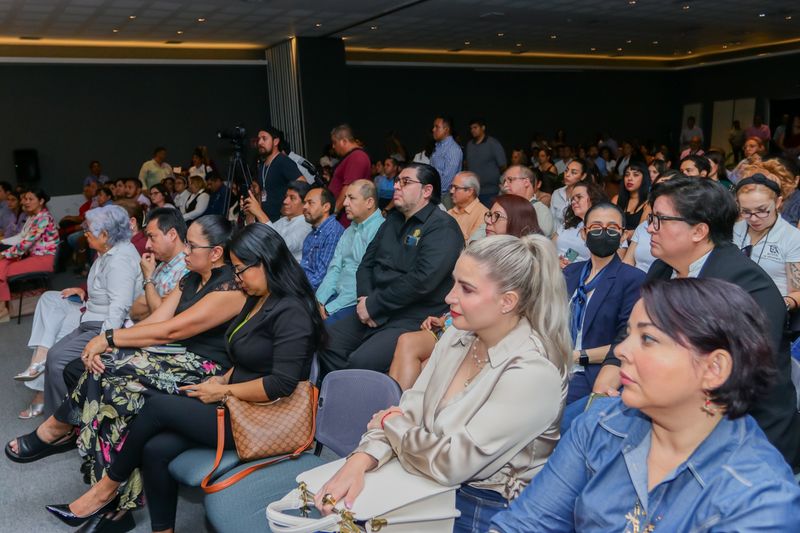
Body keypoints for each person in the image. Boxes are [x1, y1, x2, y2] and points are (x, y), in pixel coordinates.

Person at [42, 223, 323, 533]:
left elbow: (280, 385)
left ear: (266, 262)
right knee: (155, 449)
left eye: (242, 269)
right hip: (236, 401)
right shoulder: (259, 298)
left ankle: (105, 490)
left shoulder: (292, 311)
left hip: (261, 418)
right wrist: (221, 381)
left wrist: (224, 391)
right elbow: (244, 357)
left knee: (157, 407)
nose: (238, 278)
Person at [490, 278, 800, 533]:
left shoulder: (759, 498)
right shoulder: (602, 425)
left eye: (648, 339)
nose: (622, 350)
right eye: (628, 335)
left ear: (714, 368)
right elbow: (525, 524)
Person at [317, 234, 570, 532]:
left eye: (467, 289)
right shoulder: (457, 336)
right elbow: (409, 409)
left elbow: (451, 463)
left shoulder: (533, 372)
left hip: (491, 512)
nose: (449, 297)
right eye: (454, 282)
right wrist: (361, 459)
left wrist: (390, 425)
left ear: (507, 301)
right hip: (425, 482)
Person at [6, 216, 246, 525]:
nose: (184, 250)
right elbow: (156, 320)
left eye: (191, 245)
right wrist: (112, 346)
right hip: (172, 358)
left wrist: (108, 338)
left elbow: (172, 331)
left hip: (205, 370)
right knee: (105, 377)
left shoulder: (229, 287)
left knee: (111, 380)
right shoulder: (190, 277)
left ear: (216, 253)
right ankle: (115, 503)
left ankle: (61, 430)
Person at [593, 177, 800, 471]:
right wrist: (613, 367)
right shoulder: (662, 268)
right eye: (651, 218)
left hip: (740, 434)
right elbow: (631, 328)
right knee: (585, 424)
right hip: (666, 411)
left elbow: (740, 377)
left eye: (659, 220)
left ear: (700, 231)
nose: (649, 228)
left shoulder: (746, 286)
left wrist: (645, 391)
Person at [317, 163, 463, 377]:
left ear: (427, 191)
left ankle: (367, 395)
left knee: (360, 362)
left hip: (412, 315)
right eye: (397, 181)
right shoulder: (392, 220)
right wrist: (364, 301)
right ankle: (348, 391)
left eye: (405, 182)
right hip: (374, 306)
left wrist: (375, 305)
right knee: (325, 340)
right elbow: (366, 264)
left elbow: (421, 281)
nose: (396, 186)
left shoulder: (442, 227)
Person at [389, 194, 541, 391]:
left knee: (428, 365)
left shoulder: (522, 267)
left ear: (516, 221)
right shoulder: (482, 254)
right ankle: (395, 407)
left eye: (497, 217)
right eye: (489, 215)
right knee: (406, 341)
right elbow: (467, 295)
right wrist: (445, 318)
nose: (489, 221)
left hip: (483, 335)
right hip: (457, 326)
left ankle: (403, 410)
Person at [563, 202, 645, 403]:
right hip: (554, 366)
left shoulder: (632, 279)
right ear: (584, 233)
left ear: (623, 235)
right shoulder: (570, 273)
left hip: (588, 373)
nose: (604, 233)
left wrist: (575, 356)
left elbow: (626, 340)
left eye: (612, 228)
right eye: (596, 227)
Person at [317, 180, 384, 324]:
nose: (345, 203)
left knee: (318, 332)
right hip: (334, 296)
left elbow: (366, 279)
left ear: (369, 202)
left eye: (351, 198)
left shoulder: (382, 230)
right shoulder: (349, 230)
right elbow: (335, 267)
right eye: (346, 197)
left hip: (356, 303)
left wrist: (331, 307)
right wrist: (320, 299)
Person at [733, 174, 800, 313]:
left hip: (769, 312)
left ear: (777, 203)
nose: (754, 218)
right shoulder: (733, 230)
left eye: (762, 211)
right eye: (746, 211)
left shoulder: (793, 238)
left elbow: (797, 291)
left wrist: (780, 305)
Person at [0, 189, 59, 322]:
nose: (26, 202)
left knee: (2, 268)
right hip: (34, 257)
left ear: (41, 201)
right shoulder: (34, 217)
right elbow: (23, 240)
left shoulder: (43, 218)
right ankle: (3, 309)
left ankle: (3, 311)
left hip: (43, 260)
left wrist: (3, 254)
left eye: (30, 199)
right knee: (2, 265)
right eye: (25, 199)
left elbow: (26, 243)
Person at [129, 207, 189, 322]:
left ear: (172, 235)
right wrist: (157, 301)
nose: (147, 245)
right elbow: (134, 310)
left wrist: (148, 279)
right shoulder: (162, 265)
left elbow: (161, 317)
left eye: (152, 237)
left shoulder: (187, 267)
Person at [623, 169, 681, 272]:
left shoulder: (681, 230)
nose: (650, 229)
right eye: (657, 188)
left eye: (667, 188)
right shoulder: (644, 226)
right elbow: (627, 263)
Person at [255, 126, 305, 223]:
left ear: (276, 141)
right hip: (266, 221)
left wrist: (291, 211)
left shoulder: (283, 161)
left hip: (282, 221)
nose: (260, 142)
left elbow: (302, 185)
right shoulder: (262, 166)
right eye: (259, 139)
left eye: (264, 138)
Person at [555, 181, 608, 267]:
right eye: (572, 199)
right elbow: (550, 246)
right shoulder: (569, 223)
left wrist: (576, 268)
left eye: (579, 197)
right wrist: (556, 261)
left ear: (593, 198)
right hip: (556, 269)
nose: (573, 202)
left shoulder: (608, 228)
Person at [301, 187, 344, 290]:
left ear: (326, 207)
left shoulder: (333, 232)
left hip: (313, 293)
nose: (305, 207)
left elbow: (322, 277)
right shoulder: (312, 234)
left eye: (310, 203)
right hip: (302, 287)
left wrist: (295, 289)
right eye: (305, 203)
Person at [329, 124, 371, 228]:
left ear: (344, 141)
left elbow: (348, 188)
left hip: (345, 220)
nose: (333, 146)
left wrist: (333, 213)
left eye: (334, 142)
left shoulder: (357, 157)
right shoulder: (352, 157)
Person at [500, 165, 555, 238]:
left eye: (510, 180)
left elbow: (537, 245)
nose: (505, 185)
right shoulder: (503, 207)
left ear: (526, 182)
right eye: (504, 181)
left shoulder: (541, 211)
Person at [464, 118, 507, 206]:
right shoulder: (469, 145)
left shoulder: (493, 144)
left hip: (491, 191)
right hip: (473, 191)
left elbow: (503, 166)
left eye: (475, 127)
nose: (472, 130)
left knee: (489, 217)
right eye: (471, 128)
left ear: (483, 128)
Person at [612, 160, 651, 242]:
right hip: (614, 244)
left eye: (635, 175)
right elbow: (608, 224)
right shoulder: (616, 199)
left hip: (635, 247)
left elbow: (640, 234)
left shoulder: (648, 203)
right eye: (627, 175)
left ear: (644, 179)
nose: (629, 178)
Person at [430, 115, 463, 205]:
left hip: (445, 197)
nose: (433, 129)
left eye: (437, 127)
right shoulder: (438, 147)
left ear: (446, 130)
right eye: (434, 127)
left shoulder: (453, 149)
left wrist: (434, 194)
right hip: (435, 194)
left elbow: (448, 179)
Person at [447, 171, 489, 242]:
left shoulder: (483, 215)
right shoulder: (450, 212)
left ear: (469, 191)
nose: (451, 191)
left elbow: (472, 248)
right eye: (451, 187)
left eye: (456, 188)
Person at [551, 159, 588, 230]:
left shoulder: (586, 196)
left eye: (574, 172)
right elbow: (552, 218)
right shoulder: (556, 193)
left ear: (583, 176)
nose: (567, 175)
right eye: (566, 170)